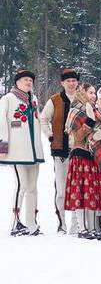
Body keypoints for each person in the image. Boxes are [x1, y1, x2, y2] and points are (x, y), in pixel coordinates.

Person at [64, 83, 101, 239]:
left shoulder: (97, 111)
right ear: (82, 92)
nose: (93, 96)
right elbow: (77, 136)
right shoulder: (75, 110)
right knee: (80, 191)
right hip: (80, 153)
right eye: (90, 93)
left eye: (94, 94)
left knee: (91, 191)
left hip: (94, 155)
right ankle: (82, 228)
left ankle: (91, 228)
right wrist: (89, 122)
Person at [0, 68, 45, 236]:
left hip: (33, 150)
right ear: (17, 82)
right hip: (17, 150)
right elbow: (1, 123)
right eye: (25, 79)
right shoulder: (8, 99)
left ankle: (32, 223)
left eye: (30, 80)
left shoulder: (34, 100)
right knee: (22, 185)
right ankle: (16, 222)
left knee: (33, 187)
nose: (29, 82)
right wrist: (2, 147)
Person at [39, 67, 79, 233]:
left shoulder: (82, 99)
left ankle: (76, 224)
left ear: (77, 82)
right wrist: (50, 136)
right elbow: (43, 119)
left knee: (78, 188)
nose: (71, 83)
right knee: (61, 190)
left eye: (73, 80)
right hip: (60, 150)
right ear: (62, 83)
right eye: (68, 81)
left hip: (79, 150)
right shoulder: (55, 100)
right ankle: (61, 222)